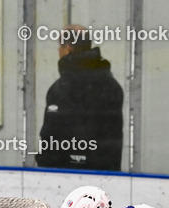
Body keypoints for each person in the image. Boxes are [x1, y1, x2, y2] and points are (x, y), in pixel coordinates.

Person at [36, 27, 123, 171]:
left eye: (60, 46)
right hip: (106, 169)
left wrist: (45, 164)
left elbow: (52, 134)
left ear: (68, 48)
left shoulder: (63, 88)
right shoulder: (112, 86)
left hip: (66, 171)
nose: (58, 51)